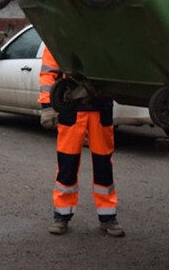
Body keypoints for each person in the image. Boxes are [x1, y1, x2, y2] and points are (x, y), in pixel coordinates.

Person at [39, 45, 124, 237]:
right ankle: (61, 215)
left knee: (103, 164)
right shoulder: (59, 35)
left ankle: (108, 216)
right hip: (71, 108)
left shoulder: (101, 36)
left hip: (100, 107)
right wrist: (47, 105)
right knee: (67, 164)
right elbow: (48, 71)